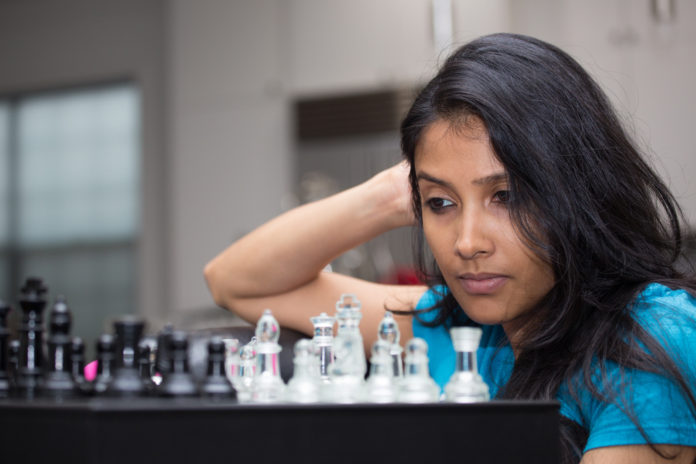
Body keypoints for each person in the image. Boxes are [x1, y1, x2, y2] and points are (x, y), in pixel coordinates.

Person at [204, 33, 696, 463]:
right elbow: (235, 283)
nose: (466, 242)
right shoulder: (455, 328)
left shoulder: (649, 340)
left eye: (506, 197)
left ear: (577, 191)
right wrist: (392, 193)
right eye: (441, 203)